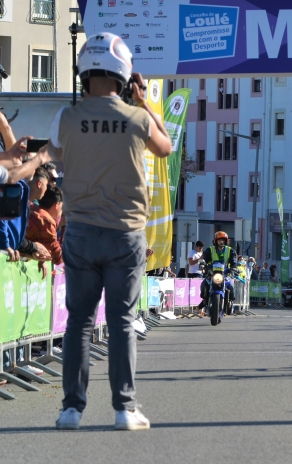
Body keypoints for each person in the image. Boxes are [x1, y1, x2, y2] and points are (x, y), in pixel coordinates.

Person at [50, 31, 173, 431]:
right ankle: (124, 409)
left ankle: (71, 409)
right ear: (124, 74)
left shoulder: (66, 116)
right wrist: (143, 104)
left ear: (82, 72)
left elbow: (54, 153)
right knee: (121, 321)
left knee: (79, 322)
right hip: (125, 233)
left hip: (81, 230)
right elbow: (166, 147)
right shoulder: (137, 118)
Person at [200, 231, 239, 310]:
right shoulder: (210, 250)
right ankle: (205, 300)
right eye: (219, 240)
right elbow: (205, 259)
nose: (221, 242)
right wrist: (202, 264)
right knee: (204, 284)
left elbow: (234, 262)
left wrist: (234, 267)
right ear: (215, 241)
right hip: (212, 274)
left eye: (223, 240)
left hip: (225, 274)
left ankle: (230, 302)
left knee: (231, 286)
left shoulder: (230, 250)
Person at [26, 185, 63, 265]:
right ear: (56, 205)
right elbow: (57, 257)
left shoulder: (32, 206)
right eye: (62, 207)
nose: (62, 211)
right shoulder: (46, 221)